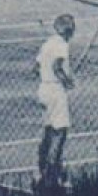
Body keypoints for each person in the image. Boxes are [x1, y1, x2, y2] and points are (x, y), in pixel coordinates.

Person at [35, 14, 76, 186]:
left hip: (43, 88)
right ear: (68, 30)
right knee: (60, 131)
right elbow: (57, 66)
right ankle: (53, 171)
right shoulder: (61, 45)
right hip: (55, 90)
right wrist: (67, 82)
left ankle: (43, 165)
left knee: (49, 129)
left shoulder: (47, 44)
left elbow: (36, 67)